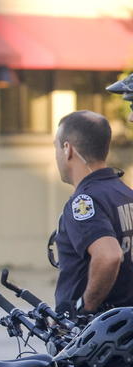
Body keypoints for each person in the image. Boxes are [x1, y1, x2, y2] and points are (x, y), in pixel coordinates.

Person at [52, 110, 133, 317]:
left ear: (68, 149)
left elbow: (109, 255)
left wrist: (84, 308)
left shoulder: (84, 202)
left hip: (98, 329)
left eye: (56, 147)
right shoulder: (125, 193)